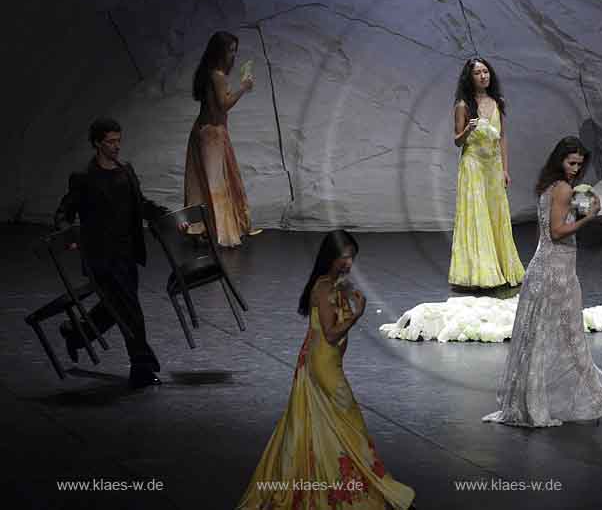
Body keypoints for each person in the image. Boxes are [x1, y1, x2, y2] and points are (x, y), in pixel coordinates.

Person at [238, 230, 415, 509]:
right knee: (350, 424)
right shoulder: (324, 288)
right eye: (344, 257)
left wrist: (345, 294)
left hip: (320, 360)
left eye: (351, 257)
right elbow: (331, 334)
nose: (348, 263)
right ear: (330, 256)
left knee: (327, 425)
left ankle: (336, 480)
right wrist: (357, 314)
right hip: (325, 364)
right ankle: (359, 485)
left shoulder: (329, 284)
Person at [483, 137, 602, 427]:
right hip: (555, 271)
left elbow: (557, 221)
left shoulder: (549, 186)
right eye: (571, 162)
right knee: (569, 339)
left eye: (579, 163)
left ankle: (534, 400)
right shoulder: (562, 188)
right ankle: (590, 399)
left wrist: (580, 208)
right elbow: (558, 231)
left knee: (539, 340)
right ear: (559, 160)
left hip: (543, 268)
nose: (575, 168)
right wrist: (589, 217)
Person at [55, 118, 176, 388]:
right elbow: (64, 213)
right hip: (100, 256)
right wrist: (69, 235)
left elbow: (140, 205)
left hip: (126, 253)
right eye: (111, 141)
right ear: (97, 143)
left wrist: (166, 216)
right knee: (130, 308)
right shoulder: (84, 177)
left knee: (115, 309)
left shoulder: (126, 171)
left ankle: (77, 335)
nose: (116, 146)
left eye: (118, 140)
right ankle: (142, 367)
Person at [448, 57, 525, 288]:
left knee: (495, 215)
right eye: (478, 73)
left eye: (486, 72)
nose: (483, 76)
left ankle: (502, 267)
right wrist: (468, 130)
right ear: (469, 78)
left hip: (493, 166)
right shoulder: (463, 105)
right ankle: (480, 272)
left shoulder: (497, 102)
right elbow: (456, 141)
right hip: (473, 165)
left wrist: (505, 169)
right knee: (476, 216)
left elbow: (502, 137)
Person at [184, 31, 259, 248]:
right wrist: (243, 88)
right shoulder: (217, 75)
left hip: (209, 132)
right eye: (230, 50)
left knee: (206, 182)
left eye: (235, 50)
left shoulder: (209, 73)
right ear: (220, 51)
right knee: (216, 184)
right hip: (211, 134)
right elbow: (223, 104)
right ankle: (219, 231)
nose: (233, 56)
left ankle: (204, 228)